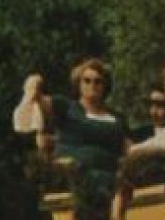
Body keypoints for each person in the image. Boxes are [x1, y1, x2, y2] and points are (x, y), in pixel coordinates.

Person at [12, 58, 129, 201]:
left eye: (98, 81)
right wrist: (33, 84)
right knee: (98, 180)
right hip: (75, 175)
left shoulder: (116, 118)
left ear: (105, 85)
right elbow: (38, 100)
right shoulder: (66, 107)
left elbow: (127, 147)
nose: (92, 85)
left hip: (111, 173)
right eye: (87, 80)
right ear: (79, 84)